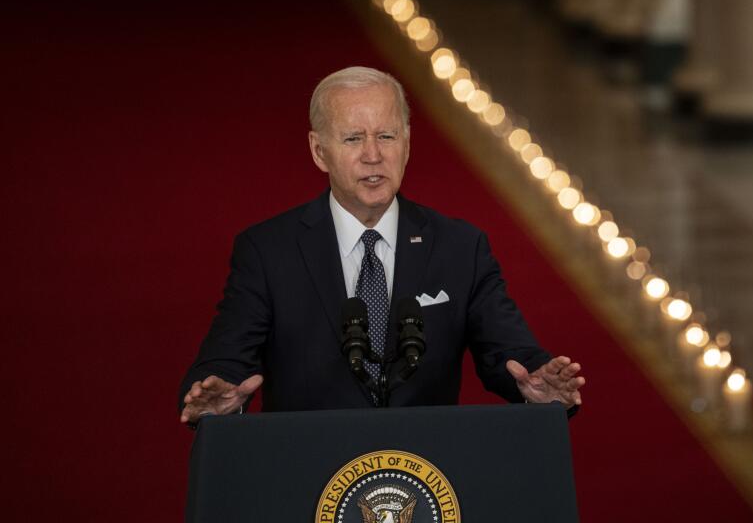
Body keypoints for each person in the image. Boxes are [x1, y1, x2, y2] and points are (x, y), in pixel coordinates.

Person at [179, 66, 585, 426]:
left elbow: (511, 355)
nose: (373, 155)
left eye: (386, 136)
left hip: (425, 472)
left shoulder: (460, 246)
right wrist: (220, 401)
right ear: (320, 152)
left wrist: (538, 387)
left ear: (406, 145)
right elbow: (226, 361)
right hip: (309, 473)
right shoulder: (268, 251)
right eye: (353, 138)